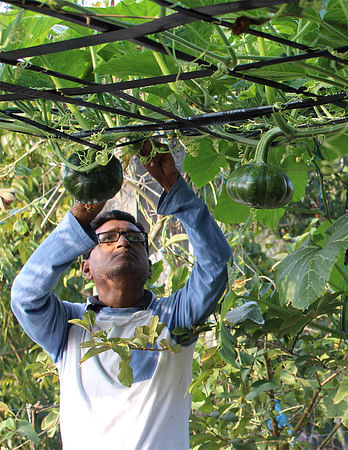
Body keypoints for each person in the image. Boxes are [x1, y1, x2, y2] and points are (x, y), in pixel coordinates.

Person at [10, 141, 232, 449]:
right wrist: (81, 213)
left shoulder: (175, 319)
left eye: (134, 238)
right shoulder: (69, 326)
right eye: (108, 238)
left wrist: (174, 186)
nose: (122, 243)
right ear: (86, 267)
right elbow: (25, 295)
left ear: (150, 267)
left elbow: (215, 266)